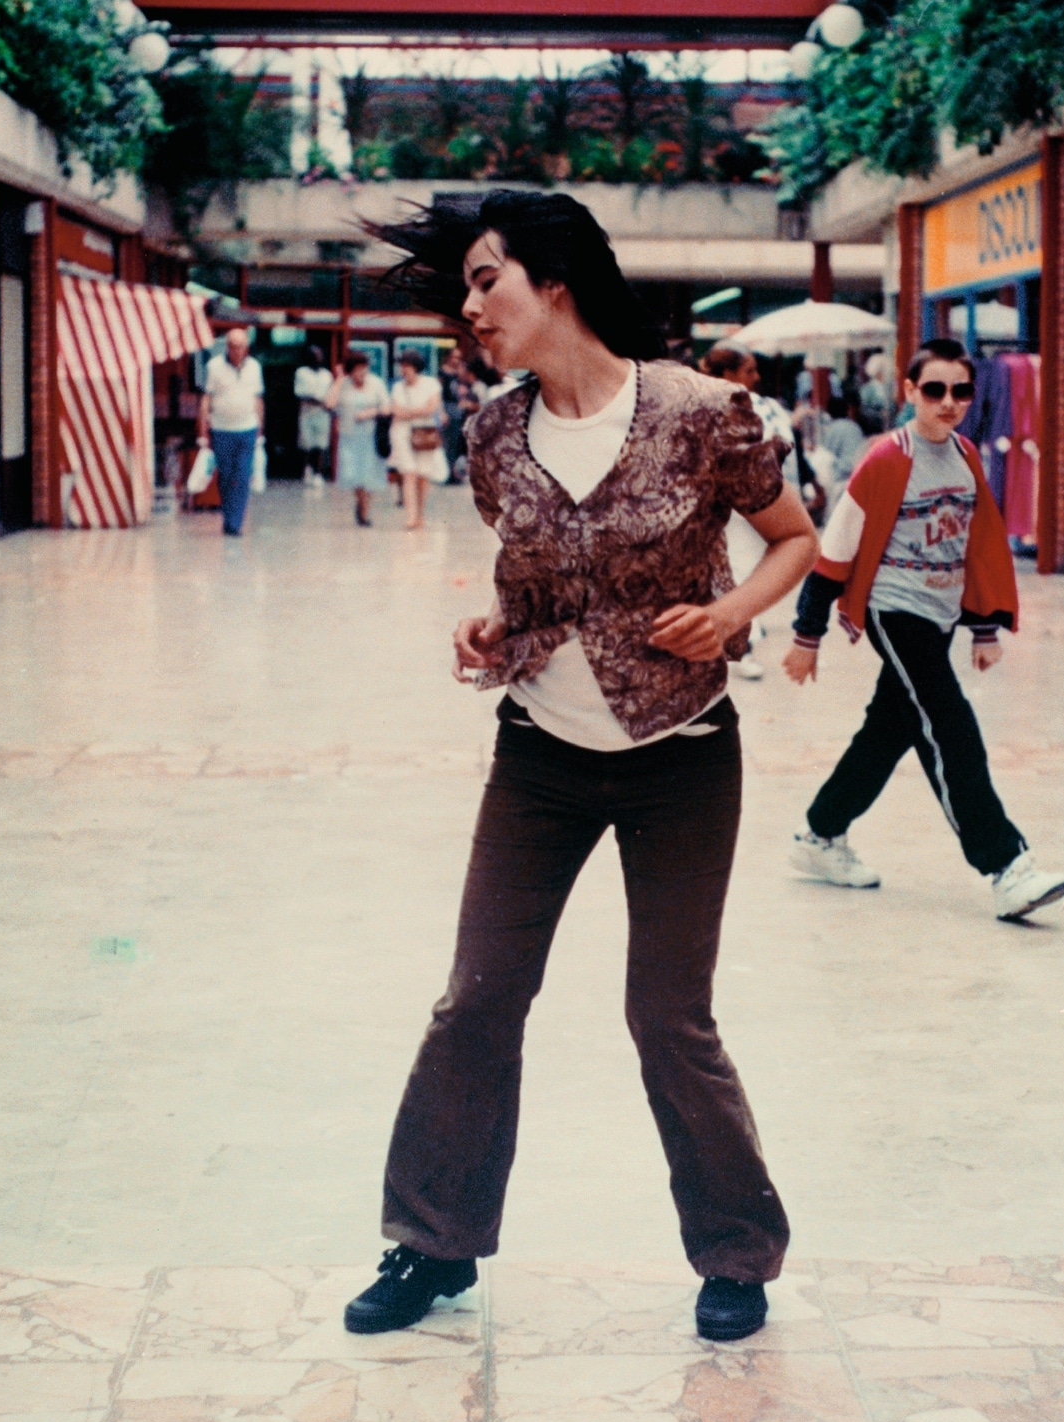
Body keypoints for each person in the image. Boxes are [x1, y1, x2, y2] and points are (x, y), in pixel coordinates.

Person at [346, 190, 817, 1345]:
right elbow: (536, 591)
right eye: (464, 286)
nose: (471, 308)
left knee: (667, 1013)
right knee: (476, 999)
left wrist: (730, 612)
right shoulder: (493, 436)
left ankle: (735, 1252)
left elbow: (797, 539)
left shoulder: (707, 412)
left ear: (553, 282)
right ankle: (430, 1244)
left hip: (681, 754)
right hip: (538, 758)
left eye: (484, 280)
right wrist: (487, 631)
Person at [782, 338, 1064, 922]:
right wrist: (806, 634)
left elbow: (980, 546)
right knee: (951, 725)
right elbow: (835, 550)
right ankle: (1005, 866)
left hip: (939, 616)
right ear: (909, 391)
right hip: (896, 612)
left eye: (960, 391)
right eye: (934, 390)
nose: (948, 402)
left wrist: (984, 627)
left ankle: (819, 836)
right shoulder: (887, 460)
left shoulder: (966, 455)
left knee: (886, 734)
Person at [701, 345, 812, 681]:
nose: (756, 376)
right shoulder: (708, 408)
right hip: (735, 506)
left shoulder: (767, 406)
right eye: (749, 370)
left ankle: (739, 641)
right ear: (727, 374)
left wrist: (808, 483)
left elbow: (792, 451)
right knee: (738, 574)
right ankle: (741, 648)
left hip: (775, 502)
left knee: (750, 573)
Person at [197, 326, 264, 537]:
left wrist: (260, 430)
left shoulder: (254, 367)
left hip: (247, 428)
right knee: (226, 476)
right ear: (227, 346)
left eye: (241, 346)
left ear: (247, 348)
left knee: (243, 475)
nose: (237, 350)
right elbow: (206, 399)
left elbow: (258, 399)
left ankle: (235, 523)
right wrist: (202, 431)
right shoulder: (214, 366)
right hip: (221, 429)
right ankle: (228, 517)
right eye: (233, 346)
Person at [324, 351, 391, 526]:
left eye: (364, 369)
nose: (362, 374)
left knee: (369, 475)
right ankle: (360, 502)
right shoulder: (343, 385)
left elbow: (386, 408)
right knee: (353, 475)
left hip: (371, 437)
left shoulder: (376, 383)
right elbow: (329, 404)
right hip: (349, 437)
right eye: (357, 370)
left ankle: (364, 511)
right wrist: (338, 380)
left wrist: (370, 413)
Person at [390, 348, 448, 529]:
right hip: (402, 432)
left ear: (416, 367)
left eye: (406, 366)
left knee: (423, 475)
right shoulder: (398, 387)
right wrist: (418, 412)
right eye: (402, 366)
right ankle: (410, 516)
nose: (403, 370)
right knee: (409, 473)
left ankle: (420, 513)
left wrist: (409, 413)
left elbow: (432, 408)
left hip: (425, 433)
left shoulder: (431, 384)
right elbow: (396, 411)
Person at [293, 345, 332, 487]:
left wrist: (325, 402)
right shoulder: (301, 372)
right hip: (307, 413)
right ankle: (307, 470)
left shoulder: (326, 374)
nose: (318, 357)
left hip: (323, 414)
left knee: (321, 445)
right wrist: (319, 400)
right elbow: (301, 393)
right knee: (306, 444)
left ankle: (318, 473)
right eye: (315, 355)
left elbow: (330, 394)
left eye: (320, 354)